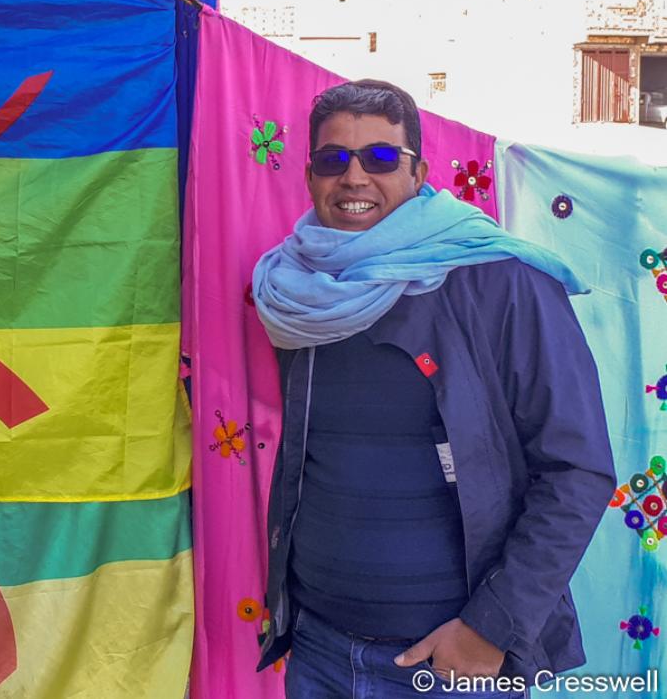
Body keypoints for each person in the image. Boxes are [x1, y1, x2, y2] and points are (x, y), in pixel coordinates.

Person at [251, 79, 616, 698]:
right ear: (311, 177)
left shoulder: (504, 283)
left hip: (451, 662)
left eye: (381, 158)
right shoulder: (298, 290)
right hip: (317, 651)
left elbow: (577, 471)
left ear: (418, 173)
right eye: (333, 159)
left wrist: (487, 631)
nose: (355, 176)